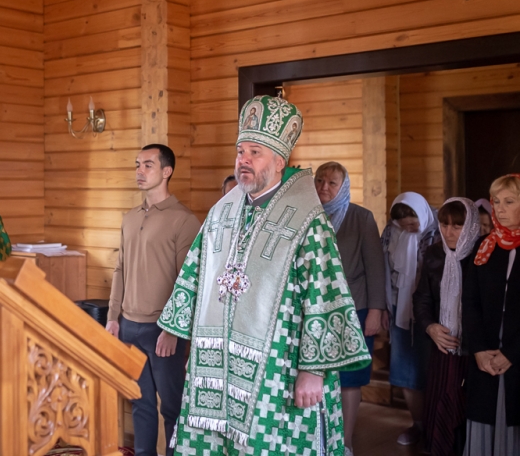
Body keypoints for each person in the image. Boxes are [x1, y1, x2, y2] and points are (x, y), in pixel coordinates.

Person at [158, 95, 370, 456]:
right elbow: (195, 270)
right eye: (241, 151)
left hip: (279, 367)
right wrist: (172, 326)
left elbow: (323, 294)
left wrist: (313, 371)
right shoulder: (222, 211)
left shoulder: (308, 220)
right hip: (218, 363)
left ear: (279, 161)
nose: (244, 160)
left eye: (255, 152)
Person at [106, 144, 201, 456]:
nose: (139, 171)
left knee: (172, 409)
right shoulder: (129, 218)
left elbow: (188, 282)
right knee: (140, 405)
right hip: (129, 327)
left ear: (166, 171)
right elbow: (119, 269)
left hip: (163, 331)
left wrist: (174, 330)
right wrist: (112, 318)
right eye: (137, 165)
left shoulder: (183, 220)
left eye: (147, 165)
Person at [314, 161, 386, 456]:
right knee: (317, 375)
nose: (324, 188)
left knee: (350, 378)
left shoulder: (361, 218)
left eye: (332, 183)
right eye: (320, 181)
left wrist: (375, 311)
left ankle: (345, 441)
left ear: (343, 187)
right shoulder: (307, 215)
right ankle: (318, 437)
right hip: (315, 310)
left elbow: (375, 268)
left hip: (354, 309)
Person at [414, 198, 481, 456]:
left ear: (471, 226)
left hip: (475, 350)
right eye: (444, 224)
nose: (449, 232)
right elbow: (422, 298)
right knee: (442, 403)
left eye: (457, 226)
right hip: (443, 346)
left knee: (467, 408)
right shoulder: (434, 253)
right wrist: (430, 327)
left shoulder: (483, 254)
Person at [463, 174, 520, 455]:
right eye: (496, 201)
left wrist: (512, 353)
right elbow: (470, 302)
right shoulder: (484, 246)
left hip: (516, 354)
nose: (499, 208)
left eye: (509, 202)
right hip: (485, 353)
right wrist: (479, 350)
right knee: (484, 418)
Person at [382, 192, 438, 446]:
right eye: (403, 224)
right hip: (400, 309)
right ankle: (418, 425)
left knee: (432, 370)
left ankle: (438, 428)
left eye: (413, 222)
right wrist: (383, 307)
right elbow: (384, 271)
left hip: (432, 314)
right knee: (405, 371)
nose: (409, 228)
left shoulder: (437, 231)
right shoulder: (391, 234)